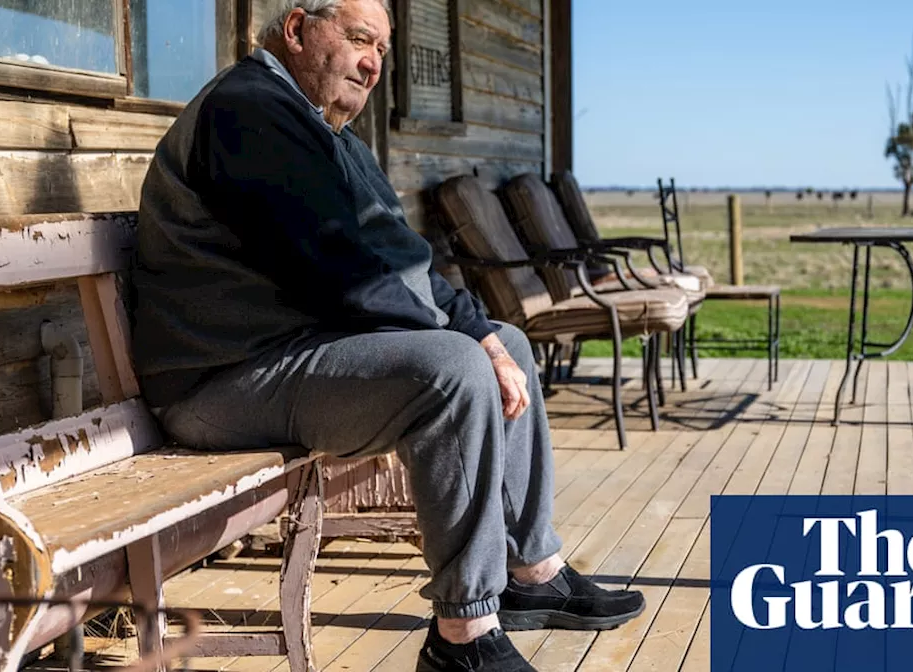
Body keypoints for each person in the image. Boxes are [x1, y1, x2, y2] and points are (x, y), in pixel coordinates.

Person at [128, 1, 644, 669]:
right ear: (296, 30)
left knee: (506, 345)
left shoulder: (327, 135)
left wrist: (482, 329)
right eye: (359, 39)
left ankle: (530, 571)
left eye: (382, 50)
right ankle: (463, 635)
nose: (373, 63)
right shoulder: (249, 112)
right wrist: (470, 341)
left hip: (288, 355)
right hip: (219, 378)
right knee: (455, 372)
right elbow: (340, 271)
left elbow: (404, 259)